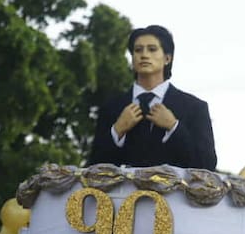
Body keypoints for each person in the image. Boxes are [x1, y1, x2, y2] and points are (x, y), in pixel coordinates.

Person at [87, 25, 217, 171]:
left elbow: (207, 165)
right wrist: (117, 130)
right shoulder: (111, 107)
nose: (144, 55)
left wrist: (174, 127)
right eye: (138, 50)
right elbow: (93, 167)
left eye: (152, 49)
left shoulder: (194, 107)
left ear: (167, 58)